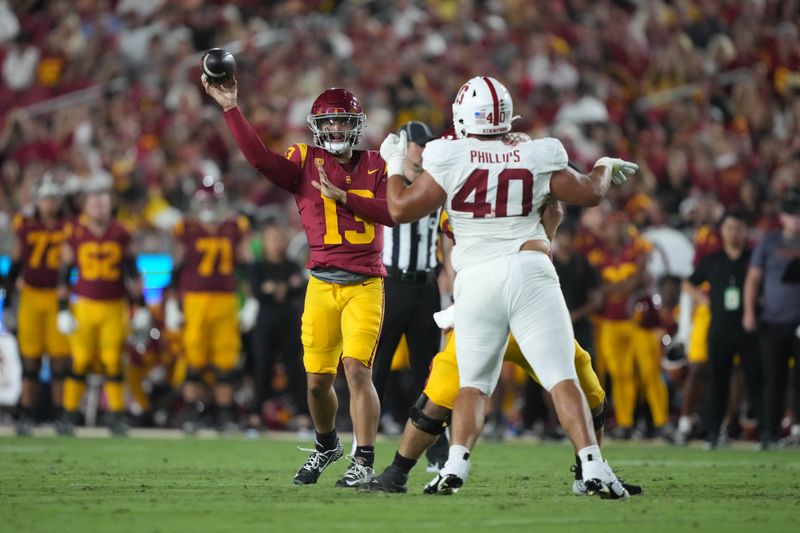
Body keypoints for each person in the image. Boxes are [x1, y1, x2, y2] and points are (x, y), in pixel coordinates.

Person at [383, 75, 636, 497]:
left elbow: (400, 208)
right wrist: (604, 167)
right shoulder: (536, 152)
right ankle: (591, 464)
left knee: (472, 385)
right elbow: (591, 192)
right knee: (562, 377)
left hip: (478, 281)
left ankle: (456, 466)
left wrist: (394, 166)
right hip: (530, 272)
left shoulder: (448, 154)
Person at [365, 200, 643, 496]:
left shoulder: (497, 184)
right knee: (440, 394)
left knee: (586, 389)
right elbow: (557, 211)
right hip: (509, 301)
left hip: (504, 303)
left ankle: (589, 468)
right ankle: (399, 470)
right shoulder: (486, 186)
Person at [203, 76, 394, 487]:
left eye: (344, 122)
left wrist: (346, 198)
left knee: (358, 370)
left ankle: (364, 459)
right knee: (315, 385)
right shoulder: (305, 160)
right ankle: (327, 444)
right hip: (322, 284)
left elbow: (394, 212)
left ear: (357, 125)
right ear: (318, 128)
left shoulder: (379, 163)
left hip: (365, 284)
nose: (338, 131)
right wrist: (230, 108)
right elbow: (259, 160)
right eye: (330, 124)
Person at [372, 120, 446, 468]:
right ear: (404, 145)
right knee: (377, 367)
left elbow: (448, 233)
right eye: (418, 144)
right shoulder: (386, 178)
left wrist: (450, 281)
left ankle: (436, 449)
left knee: (429, 372)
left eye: (426, 143)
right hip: (390, 282)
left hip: (426, 285)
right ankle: (363, 448)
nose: (424, 149)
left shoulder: (437, 178)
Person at [56, 175, 151, 436]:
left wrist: (140, 305)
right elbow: (64, 272)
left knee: (113, 361)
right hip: (84, 304)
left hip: (113, 305)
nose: (98, 205)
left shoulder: (121, 231)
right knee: (80, 361)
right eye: (94, 201)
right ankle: (68, 413)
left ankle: (116, 415)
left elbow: (133, 273)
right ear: (85, 205)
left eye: (102, 200)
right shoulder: (72, 230)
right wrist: (62, 308)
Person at [163, 178, 258, 433]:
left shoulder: (236, 227)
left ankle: (224, 415)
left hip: (225, 300)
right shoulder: (185, 228)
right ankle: (193, 412)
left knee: (226, 361)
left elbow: (246, 267)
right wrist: (171, 303)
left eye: (213, 200)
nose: (209, 205)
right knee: (194, 359)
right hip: (194, 300)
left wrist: (251, 300)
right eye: (205, 200)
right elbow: (175, 267)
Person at [687, 209, 762, 448]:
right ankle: (713, 434)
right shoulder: (712, 260)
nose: (733, 233)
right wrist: (702, 299)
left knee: (756, 381)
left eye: (738, 228)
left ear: (745, 232)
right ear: (722, 231)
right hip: (719, 328)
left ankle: (766, 433)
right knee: (718, 382)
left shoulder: (754, 259)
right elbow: (689, 283)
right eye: (729, 228)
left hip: (750, 328)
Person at [3, 175, 70, 435]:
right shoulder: (26, 224)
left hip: (56, 297)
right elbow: (17, 259)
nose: (49, 204)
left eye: (53, 199)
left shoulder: (68, 226)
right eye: (45, 199)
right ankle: (28, 413)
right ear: (38, 200)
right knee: (29, 360)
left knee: (58, 362)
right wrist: (7, 295)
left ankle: (60, 413)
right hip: (31, 295)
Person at [596, 213, 670, 439]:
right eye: (613, 226)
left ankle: (662, 422)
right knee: (619, 374)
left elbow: (638, 279)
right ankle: (626, 423)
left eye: (621, 225)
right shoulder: (599, 254)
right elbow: (598, 287)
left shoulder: (639, 247)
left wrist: (612, 290)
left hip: (638, 321)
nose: (617, 230)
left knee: (649, 370)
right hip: (610, 321)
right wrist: (620, 289)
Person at [744, 188, 800, 448]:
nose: (795, 219)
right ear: (782, 216)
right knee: (773, 379)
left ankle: (795, 430)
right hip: (774, 320)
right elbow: (754, 278)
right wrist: (749, 311)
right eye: (791, 213)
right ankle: (769, 433)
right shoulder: (769, 241)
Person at [247, 224, 306, 431]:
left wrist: (275, 289)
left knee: (295, 368)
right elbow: (258, 290)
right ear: (264, 243)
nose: (277, 243)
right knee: (262, 367)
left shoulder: (291, 264)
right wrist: (285, 288)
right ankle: (255, 414)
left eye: (279, 238)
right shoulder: (258, 266)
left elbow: (299, 288)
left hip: (289, 322)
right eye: (272, 239)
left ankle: (302, 414)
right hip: (266, 322)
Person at [552, 220, 602, 356]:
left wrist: (575, 315)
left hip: (581, 328)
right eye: (563, 235)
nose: (567, 240)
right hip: (552, 326)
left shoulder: (584, 265)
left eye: (571, 236)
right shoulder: (548, 264)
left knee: (585, 370)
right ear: (556, 237)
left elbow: (596, 299)